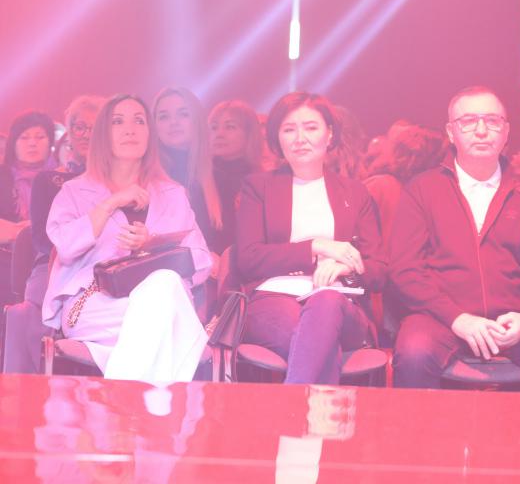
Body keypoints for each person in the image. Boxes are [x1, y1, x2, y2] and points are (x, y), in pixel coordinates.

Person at [388, 86, 520, 392]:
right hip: (441, 319)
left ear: (506, 131)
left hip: (512, 322)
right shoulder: (423, 190)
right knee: (414, 352)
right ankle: (424, 426)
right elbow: (406, 270)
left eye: (493, 121)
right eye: (469, 121)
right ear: (451, 132)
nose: (482, 130)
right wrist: (457, 318)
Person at [42, 94, 212, 382]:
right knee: (168, 325)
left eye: (139, 121)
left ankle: (122, 401)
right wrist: (110, 204)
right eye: (118, 122)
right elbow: (66, 248)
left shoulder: (173, 193)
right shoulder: (74, 191)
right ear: (103, 134)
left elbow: (201, 262)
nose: (130, 129)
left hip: (162, 301)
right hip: (96, 303)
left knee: (163, 285)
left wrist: (151, 244)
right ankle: (154, 405)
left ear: (149, 134)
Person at [235, 92, 385, 385]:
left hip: (340, 302)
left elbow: (379, 270)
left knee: (326, 304)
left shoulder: (355, 193)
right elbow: (248, 259)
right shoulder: (258, 188)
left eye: (311, 127)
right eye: (289, 129)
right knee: (315, 341)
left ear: (330, 135)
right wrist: (316, 247)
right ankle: (313, 413)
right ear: (277, 138)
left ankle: (294, 409)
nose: (300, 138)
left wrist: (346, 268)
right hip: (273, 298)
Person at [3, 95, 104, 374]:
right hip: (55, 264)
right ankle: (27, 388)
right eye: (79, 127)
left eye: (93, 127)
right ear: (69, 132)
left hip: (107, 265)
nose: (85, 134)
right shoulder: (49, 180)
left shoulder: (120, 181)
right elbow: (43, 240)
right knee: (32, 306)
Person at [153, 88, 222, 248]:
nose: (173, 122)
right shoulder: (146, 176)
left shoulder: (220, 175)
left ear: (197, 120)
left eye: (183, 114)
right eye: (164, 117)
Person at [0, 110, 56, 304]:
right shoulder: (3, 177)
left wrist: (23, 230)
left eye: (40, 137)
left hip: (52, 264)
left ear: (50, 143)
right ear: (13, 144)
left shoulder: (61, 178)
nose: (32, 143)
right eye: (24, 137)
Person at [208, 99, 264, 254]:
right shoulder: (199, 180)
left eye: (230, 127)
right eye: (214, 127)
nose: (219, 134)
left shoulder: (261, 182)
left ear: (249, 134)